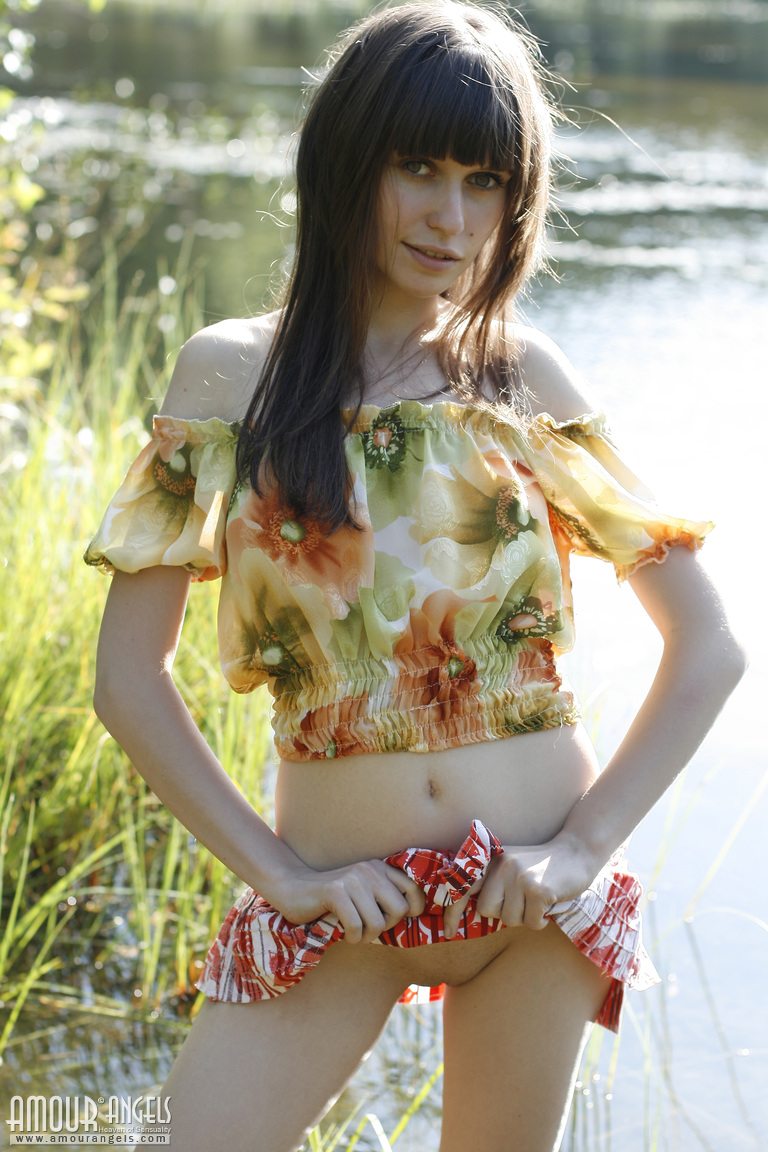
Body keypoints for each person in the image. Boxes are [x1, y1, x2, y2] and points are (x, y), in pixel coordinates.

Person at [84, 3, 746, 1149]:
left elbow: (710, 649)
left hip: (530, 906)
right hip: (338, 900)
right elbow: (126, 682)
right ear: (350, 160)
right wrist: (281, 877)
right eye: (419, 168)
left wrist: (580, 851)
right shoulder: (233, 377)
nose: (452, 217)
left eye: (486, 182)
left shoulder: (521, 376)